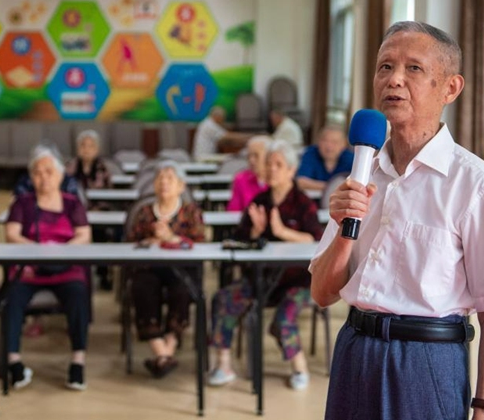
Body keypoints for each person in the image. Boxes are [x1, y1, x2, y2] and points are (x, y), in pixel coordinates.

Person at [310, 21, 484, 419]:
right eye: (385, 66)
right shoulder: (361, 172)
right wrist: (344, 229)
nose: (394, 80)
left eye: (413, 69)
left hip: (427, 362)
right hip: (354, 350)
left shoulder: (476, 185)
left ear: (450, 88)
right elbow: (321, 294)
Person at [209, 140, 323, 390]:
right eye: (269, 164)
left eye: (278, 165)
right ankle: (223, 365)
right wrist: (256, 232)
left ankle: (299, 368)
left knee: (284, 318)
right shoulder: (259, 201)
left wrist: (282, 232)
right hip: (260, 279)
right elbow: (237, 239)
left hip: (297, 281)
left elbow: (316, 239)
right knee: (223, 299)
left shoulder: (303, 203)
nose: (271, 169)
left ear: (291, 171)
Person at [4, 144, 92, 391]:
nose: (43, 177)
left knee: (77, 294)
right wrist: (37, 250)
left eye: (49, 171)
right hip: (30, 269)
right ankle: (14, 362)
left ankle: (78, 362)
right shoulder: (22, 203)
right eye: (38, 172)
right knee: (11, 298)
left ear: (61, 175)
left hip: (65, 268)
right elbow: (11, 233)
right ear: (31, 177)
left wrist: (62, 252)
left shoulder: (72, 203)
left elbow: (84, 234)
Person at [126, 160, 205, 378]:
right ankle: (162, 352)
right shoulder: (143, 212)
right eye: (160, 177)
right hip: (149, 268)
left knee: (181, 289)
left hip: (181, 269)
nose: (164, 182)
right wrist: (152, 239)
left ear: (181, 186)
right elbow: (131, 242)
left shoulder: (190, 212)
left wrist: (171, 238)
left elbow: (200, 242)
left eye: (170, 178)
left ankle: (165, 351)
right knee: (142, 287)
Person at [65, 129, 114, 291]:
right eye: (83, 146)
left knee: (100, 234)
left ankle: (103, 272)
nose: (86, 149)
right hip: (74, 217)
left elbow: (108, 197)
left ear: (97, 149)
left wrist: (94, 212)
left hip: (97, 214)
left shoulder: (103, 169)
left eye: (90, 146)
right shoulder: (70, 168)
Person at [295, 125, 354, 192]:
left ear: (343, 144)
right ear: (318, 141)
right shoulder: (310, 153)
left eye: (335, 142)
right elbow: (301, 182)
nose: (329, 146)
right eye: (325, 141)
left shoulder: (351, 158)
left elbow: (354, 185)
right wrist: (332, 187)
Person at [227, 135, 271, 212]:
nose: (251, 160)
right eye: (249, 156)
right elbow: (233, 211)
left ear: (269, 157)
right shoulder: (240, 179)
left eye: (256, 155)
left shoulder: (277, 179)